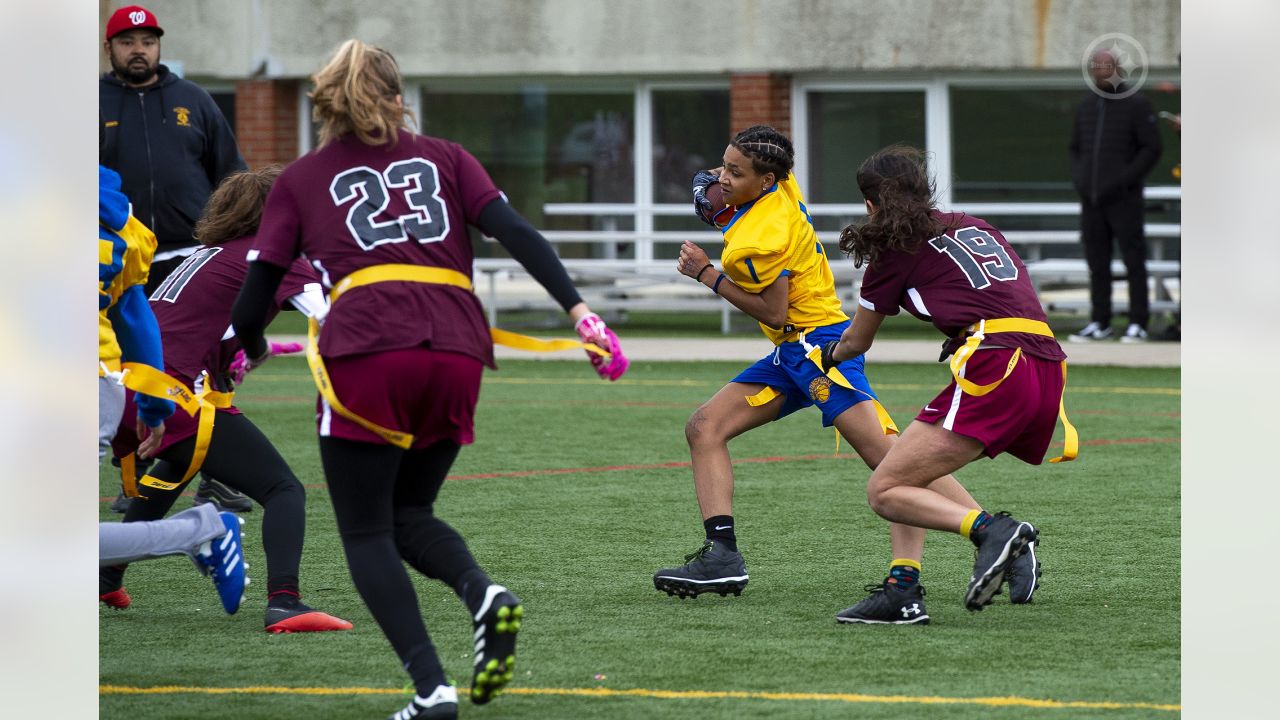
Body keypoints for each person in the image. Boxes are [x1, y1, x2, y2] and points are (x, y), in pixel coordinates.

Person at [230, 40, 627, 719]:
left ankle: (430, 689)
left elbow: (254, 292)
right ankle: (482, 594)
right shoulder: (445, 155)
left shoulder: (301, 178)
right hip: (458, 346)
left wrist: (253, 344)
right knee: (408, 513)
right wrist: (581, 312)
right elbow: (517, 231)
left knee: (363, 530)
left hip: (368, 347)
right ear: (396, 92)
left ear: (322, 101)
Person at [652, 126, 1032, 625]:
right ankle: (722, 553)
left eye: (733, 172)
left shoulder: (756, 238)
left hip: (815, 348)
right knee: (705, 426)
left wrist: (707, 274)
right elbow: (763, 163)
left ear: (767, 182)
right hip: (795, 347)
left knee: (892, 463)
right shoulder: (780, 187)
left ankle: (992, 534)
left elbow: (771, 310)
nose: (720, 178)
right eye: (724, 166)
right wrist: (738, 173)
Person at [820, 145, 1076, 613]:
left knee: (885, 491)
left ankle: (994, 533)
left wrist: (826, 354)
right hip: (1046, 364)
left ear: (871, 205)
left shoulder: (894, 251)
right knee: (907, 470)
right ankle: (903, 587)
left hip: (997, 366)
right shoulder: (973, 224)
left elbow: (857, 342)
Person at [102, 166, 352, 635]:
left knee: (178, 467)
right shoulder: (274, 256)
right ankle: (285, 602)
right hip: (173, 394)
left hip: (129, 385)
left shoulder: (207, 254)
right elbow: (334, 320)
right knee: (284, 489)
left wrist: (246, 354)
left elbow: (195, 327)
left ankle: (105, 573)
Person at [100, 3, 252, 512]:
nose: (138, 50)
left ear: (159, 46)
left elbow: (232, 176)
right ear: (111, 49)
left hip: (192, 254)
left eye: (147, 41)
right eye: (127, 42)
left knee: (208, 366)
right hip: (119, 260)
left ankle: (216, 474)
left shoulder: (195, 100)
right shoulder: (89, 102)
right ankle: (135, 477)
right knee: (131, 365)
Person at [98, 163, 247, 615]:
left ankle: (199, 532)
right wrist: (154, 405)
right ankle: (197, 533)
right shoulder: (125, 225)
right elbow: (135, 317)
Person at [1068, 47, 1163, 343]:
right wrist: (1082, 179)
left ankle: (1138, 322)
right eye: (1095, 66)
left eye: (1105, 66)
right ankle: (1100, 321)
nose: (1100, 71)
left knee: (1134, 261)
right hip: (1092, 201)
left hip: (1124, 200)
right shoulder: (1086, 107)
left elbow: (1152, 148)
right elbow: (1075, 149)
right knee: (1097, 263)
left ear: (1118, 68)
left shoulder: (1136, 104)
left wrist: (1124, 180)